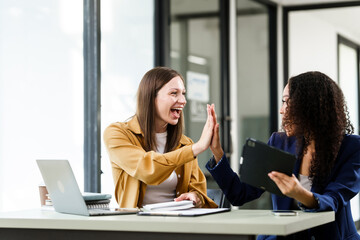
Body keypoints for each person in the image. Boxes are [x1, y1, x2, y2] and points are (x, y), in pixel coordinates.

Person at [206, 71, 360, 239]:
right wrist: (217, 152)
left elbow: (334, 200)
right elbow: (240, 194)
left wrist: (299, 193)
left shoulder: (351, 147)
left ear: (309, 106)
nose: (281, 110)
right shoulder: (279, 142)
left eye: (286, 102)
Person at [103, 66, 217, 208]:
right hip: (137, 225)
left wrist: (195, 196)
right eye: (174, 93)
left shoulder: (185, 143)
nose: (183, 100)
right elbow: (148, 169)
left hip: (178, 225)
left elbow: (198, 190)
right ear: (151, 97)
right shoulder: (117, 133)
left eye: (183, 93)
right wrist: (198, 147)